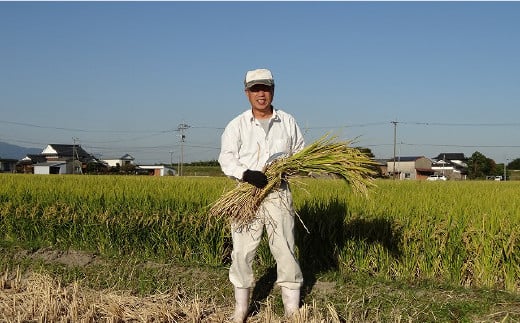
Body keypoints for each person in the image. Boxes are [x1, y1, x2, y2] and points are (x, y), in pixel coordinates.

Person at [218, 68, 305, 322]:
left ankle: (292, 311)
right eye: (255, 89)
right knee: (243, 251)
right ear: (247, 93)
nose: (261, 94)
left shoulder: (287, 121)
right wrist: (245, 174)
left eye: (265, 88)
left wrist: (287, 170)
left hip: (278, 194)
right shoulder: (237, 125)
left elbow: (300, 153)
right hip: (246, 195)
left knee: (286, 249)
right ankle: (241, 309)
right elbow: (226, 158)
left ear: (273, 90)